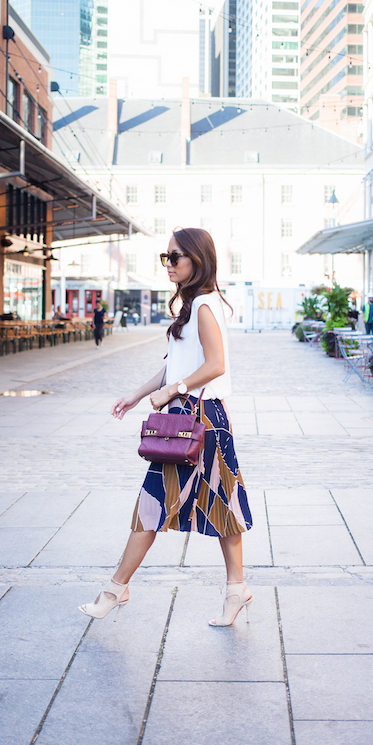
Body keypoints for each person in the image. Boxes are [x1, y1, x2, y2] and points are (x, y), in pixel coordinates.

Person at [79, 227, 253, 626]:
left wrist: (174, 390)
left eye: (176, 257)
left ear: (198, 259)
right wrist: (138, 394)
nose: (169, 265)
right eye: (166, 258)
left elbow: (216, 365)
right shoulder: (192, 306)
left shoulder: (205, 306)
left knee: (157, 502)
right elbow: (175, 364)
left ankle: (115, 588)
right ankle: (236, 589)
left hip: (201, 417)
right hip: (193, 417)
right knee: (220, 504)